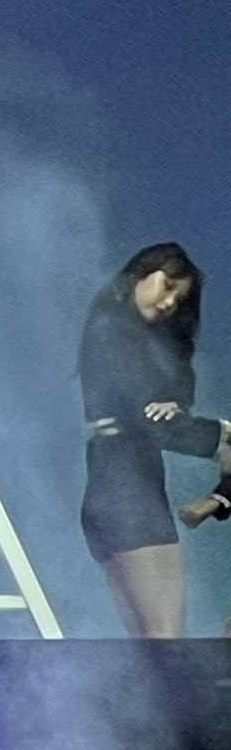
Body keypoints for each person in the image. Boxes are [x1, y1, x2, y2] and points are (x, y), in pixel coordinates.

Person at [78, 241, 231, 638]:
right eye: (167, 286)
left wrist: (175, 405)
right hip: (127, 487)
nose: (168, 303)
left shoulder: (119, 332)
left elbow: (163, 412)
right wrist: (223, 435)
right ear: (143, 273)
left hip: (116, 483)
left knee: (151, 644)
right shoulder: (113, 332)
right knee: (165, 639)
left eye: (178, 301)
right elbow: (153, 423)